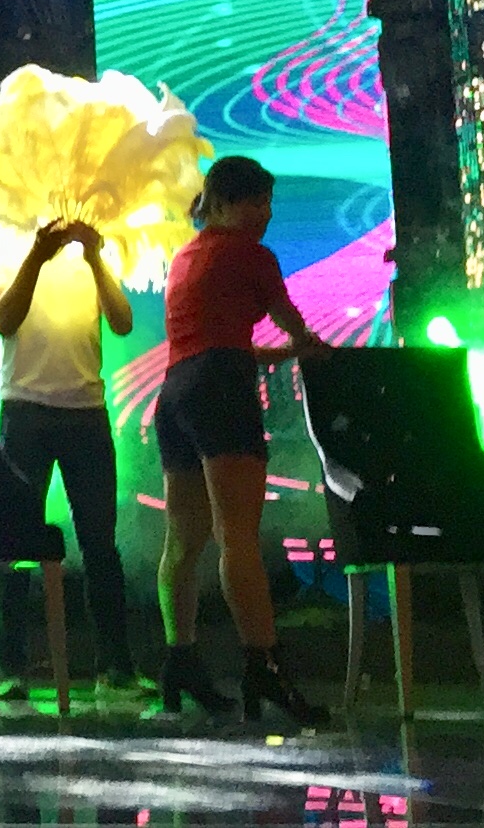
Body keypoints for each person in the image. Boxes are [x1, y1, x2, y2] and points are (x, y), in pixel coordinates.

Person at [154, 154, 331, 724]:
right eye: (258, 201)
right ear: (227, 203)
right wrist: (310, 346)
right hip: (221, 394)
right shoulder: (251, 254)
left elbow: (211, 343)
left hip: (175, 394)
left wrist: (277, 355)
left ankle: (180, 659)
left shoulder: (186, 257)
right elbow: (287, 318)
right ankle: (264, 665)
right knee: (238, 535)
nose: (267, 213)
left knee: (183, 541)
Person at [0, 217, 147, 702]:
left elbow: (122, 321)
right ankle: (10, 668)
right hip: (25, 410)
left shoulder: (95, 259)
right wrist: (37, 255)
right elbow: (4, 320)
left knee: (100, 545)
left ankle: (114, 667)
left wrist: (94, 256)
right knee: (15, 543)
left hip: (87, 412)